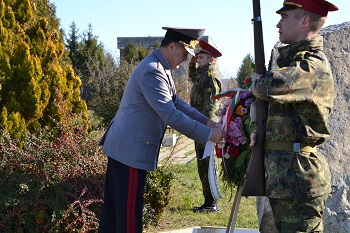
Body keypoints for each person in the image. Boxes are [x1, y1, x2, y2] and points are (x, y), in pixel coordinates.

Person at [98, 27, 225, 233]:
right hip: (129, 153)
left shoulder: (161, 67)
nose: (185, 60)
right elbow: (172, 116)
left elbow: (178, 104)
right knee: (128, 219)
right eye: (184, 54)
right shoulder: (153, 71)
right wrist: (210, 135)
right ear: (172, 46)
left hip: (126, 149)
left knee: (116, 216)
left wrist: (207, 122)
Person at [250, 0, 338, 232]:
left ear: (304, 21)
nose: (278, 24)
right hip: (286, 179)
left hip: (299, 182)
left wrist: (257, 80)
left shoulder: (312, 66)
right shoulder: (293, 63)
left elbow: (267, 86)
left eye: (285, 17)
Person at [188, 40, 222, 212]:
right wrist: (192, 64)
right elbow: (192, 77)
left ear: (211, 60)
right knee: (202, 164)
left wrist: (208, 131)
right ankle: (208, 201)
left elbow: (211, 108)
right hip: (199, 126)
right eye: (197, 57)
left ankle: (211, 202)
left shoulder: (210, 78)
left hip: (205, 128)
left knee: (207, 163)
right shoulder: (202, 74)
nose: (198, 59)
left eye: (201, 57)